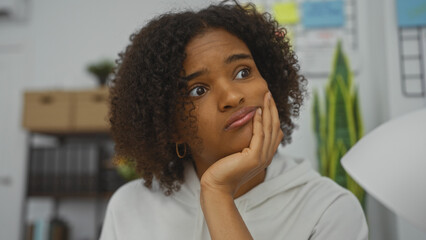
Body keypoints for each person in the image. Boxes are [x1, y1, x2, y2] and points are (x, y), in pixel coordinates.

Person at [100, 1, 368, 239]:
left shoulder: (330, 210)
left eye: (242, 72)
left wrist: (217, 195)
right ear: (172, 129)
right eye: (198, 90)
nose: (231, 96)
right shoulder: (129, 208)